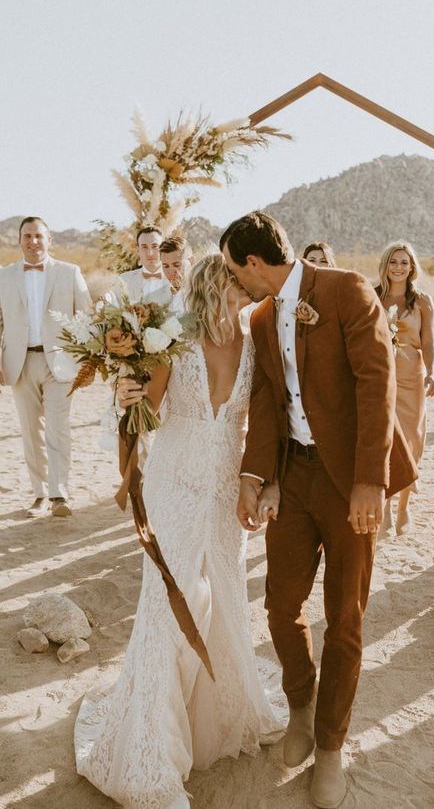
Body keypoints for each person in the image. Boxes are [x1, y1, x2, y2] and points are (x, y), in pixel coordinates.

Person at [220, 211, 416, 809]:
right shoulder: (257, 319)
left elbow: (376, 384)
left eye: (236, 270)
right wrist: (259, 478)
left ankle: (331, 747)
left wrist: (368, 484)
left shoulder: (346, 289)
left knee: (345, 617)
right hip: (295, 479)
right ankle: (302, 704)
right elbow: (266, 401)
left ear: (254, 263)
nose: (236, 282)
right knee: (280, 606)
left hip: (351, 481)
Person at [75, 254, 283, 809]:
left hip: (223, 492)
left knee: (226, 595)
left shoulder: (256, 344)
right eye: (239, 285)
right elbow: (146, 409)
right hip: (172, 487)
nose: (248, 292)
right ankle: (153, 755)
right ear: (218, 287)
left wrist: (260, 483)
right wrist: (125, 393)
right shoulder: (175, 343)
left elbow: (260, 420)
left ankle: (212, 722)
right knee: (169, 606)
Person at [0, 216, 91, 517]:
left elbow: (86, 318)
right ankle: (39, 494)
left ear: (50, 240)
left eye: (39, 236)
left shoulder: (70, 272)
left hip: (61, 365)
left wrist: (87, 361)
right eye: (27, 236)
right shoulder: (5, 276)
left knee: (58, 429)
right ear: (19, 240)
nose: (33, 241)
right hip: (19, 362)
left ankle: (59, 494)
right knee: (30, 431)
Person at [375, 241, 434, 535]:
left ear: (412, 267)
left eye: (404, 262)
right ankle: (386, 506)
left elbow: (429, 342)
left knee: (412, 441)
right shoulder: (372, 297)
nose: (399, 267)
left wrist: (433, 372)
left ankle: (404, 507)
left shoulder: (422, 301)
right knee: (385, 440)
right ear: (385, 265)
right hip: (380, 378)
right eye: (394, 262)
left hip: (413, 377)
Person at [115, 225, 171, 304]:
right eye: (144, 247)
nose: (150, 253)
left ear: (163, 248)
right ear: (138, 250)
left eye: (155, 246)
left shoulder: (174, 280)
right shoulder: (123, 280)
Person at [159, 235, 193, 314]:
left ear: (191, 261)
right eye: (166, 266)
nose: (171, 271)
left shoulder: (201, 293)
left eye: (177, 265)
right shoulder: (158, 297)